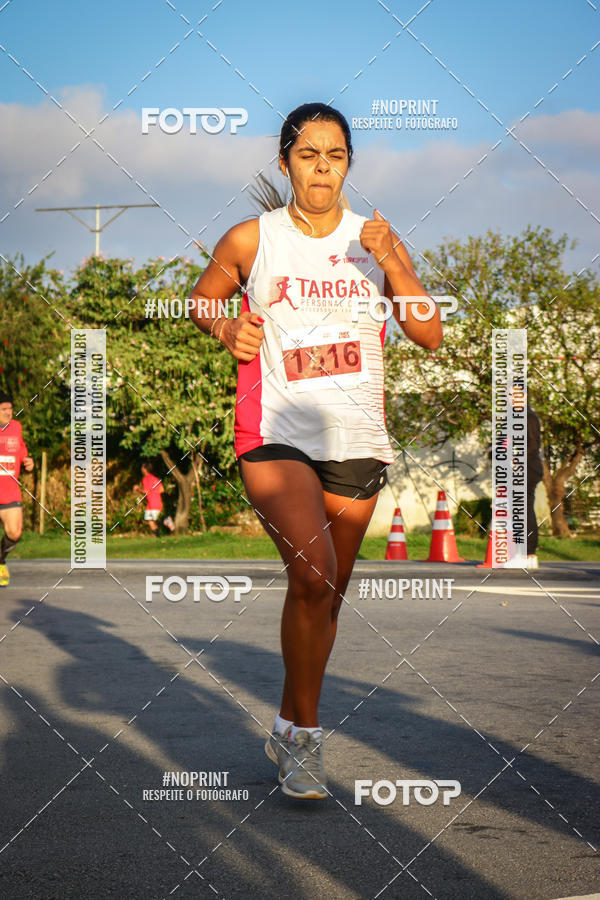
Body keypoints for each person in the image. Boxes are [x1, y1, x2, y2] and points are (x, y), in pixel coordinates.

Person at [189, 102, 442, 799]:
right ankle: (306, 741)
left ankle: (289, 723)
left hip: (356, 437)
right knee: (313, 574)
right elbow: (204, 299)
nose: (322, 165)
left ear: (349, 163)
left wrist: (393, 261)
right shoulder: (251, 239)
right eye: (308, 154)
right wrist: (226, 329)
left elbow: (428, 333)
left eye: (334, 153)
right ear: (286, 163)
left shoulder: (376, 238)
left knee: (326, 595)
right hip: (275, 430)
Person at [0, 392, 34, 587]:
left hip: (9, 491)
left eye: (10, 409)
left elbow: (21, 450)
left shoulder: (16, 428)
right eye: (3, 409)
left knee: (15, 533)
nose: (8, 413)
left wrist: (27, 460)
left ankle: (0, 560)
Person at [133, 461, 174, 537]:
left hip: (153, 503)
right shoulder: (155, 478)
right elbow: (162, 490)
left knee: (152, 520)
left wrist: (138, 489)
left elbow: (146, 492)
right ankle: (158, 538)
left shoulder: (146, 479)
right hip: (156, 502)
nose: (141, 469)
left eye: (142, 467)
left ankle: (166, 521)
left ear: (145, 469)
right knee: (150, 521)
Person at [526, 403, 543, 567]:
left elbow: (532, 446)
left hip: (529, 468)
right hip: (520, 468)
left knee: (524, 507)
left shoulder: (528, 417)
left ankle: (529, 552)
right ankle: (524, 551)